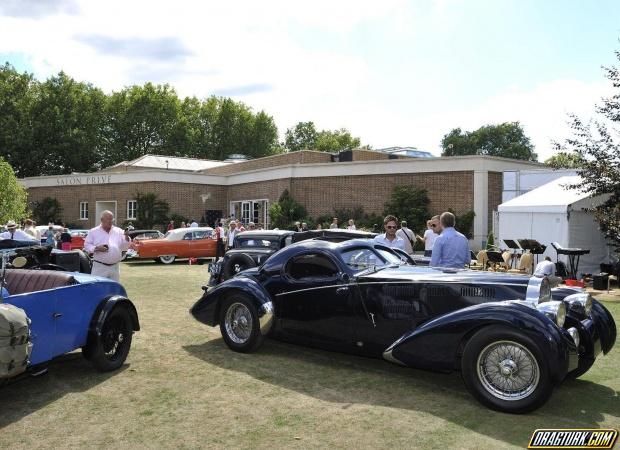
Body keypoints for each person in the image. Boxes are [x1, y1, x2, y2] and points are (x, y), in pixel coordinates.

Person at [84, 210, 131, 282]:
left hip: (115, 267)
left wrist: (126, 237)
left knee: (114, 290)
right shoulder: (93, 231)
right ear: (102, 220)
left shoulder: (119, 231)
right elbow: (87, 245)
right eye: (108, 219)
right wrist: (97, 248)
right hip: (100, 267)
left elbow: (125, 246)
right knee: (98, 289)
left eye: (112, 219)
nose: (110, 221)